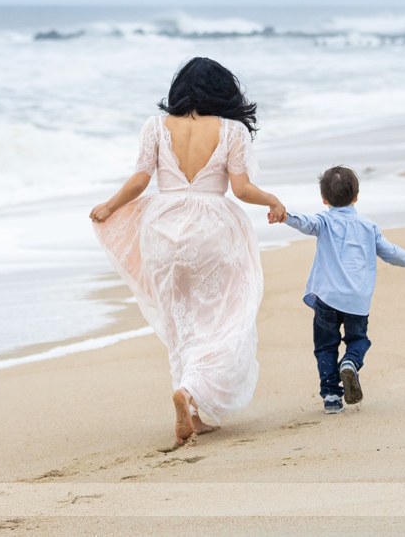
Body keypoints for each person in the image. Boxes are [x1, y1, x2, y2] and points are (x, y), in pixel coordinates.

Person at [90, 57, 286, 446]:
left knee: (180, 317)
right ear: (223, 91)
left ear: (179, 89)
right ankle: (193, 389)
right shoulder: (231, 130)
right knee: (224, 315)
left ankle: (191, 407)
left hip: (163, 228)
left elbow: (140, 180)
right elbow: (242, 189)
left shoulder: (155, 127)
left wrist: (109, 207)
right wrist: (272, 200)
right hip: (214, 229)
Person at [280, 166, 405, 414]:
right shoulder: (368, 227)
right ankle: (350, 362)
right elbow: (390, 252)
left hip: (328, 298)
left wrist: (284, 215)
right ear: (356, 196)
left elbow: (304, 222)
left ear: (324, 199)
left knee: (325, 346)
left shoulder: (323, 222)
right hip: (357, 300)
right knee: (358, 339)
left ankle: (332, 396)